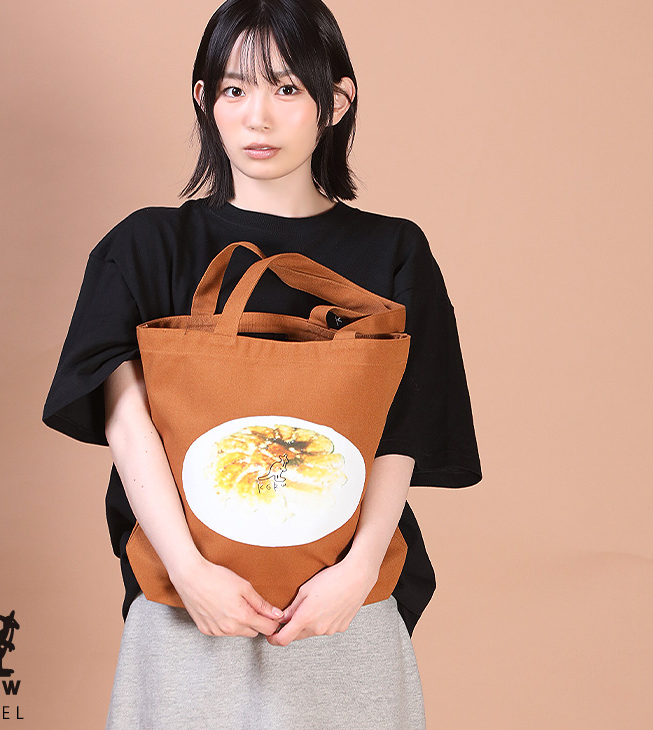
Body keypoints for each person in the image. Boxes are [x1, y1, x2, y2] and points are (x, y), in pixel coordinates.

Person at [42, 1, 481, 727]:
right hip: (185, 601)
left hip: (343, 603)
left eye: (286, 88)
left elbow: (404, 426)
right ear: (204, 100)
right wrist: (189, 573)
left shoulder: (395, 250)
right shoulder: (147, 246)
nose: (258, 117)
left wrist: (357, 574)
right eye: (234, 89)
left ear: (336, 101)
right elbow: (126, 421)